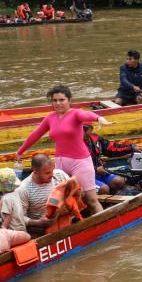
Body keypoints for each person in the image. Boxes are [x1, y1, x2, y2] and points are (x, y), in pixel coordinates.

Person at [15, 86, 110, 217]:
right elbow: (35, 134)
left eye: (62, 100)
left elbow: (86, 115)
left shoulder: (76, 113)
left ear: (69, 100)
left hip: (80, 162)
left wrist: (98, 118)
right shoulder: (50, 118)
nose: (58, 103)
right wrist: (20, 151)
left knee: (91, 200)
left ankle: (102, 223)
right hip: (60, 164)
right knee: (64, 201)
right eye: (55, 100)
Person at [14, 154, 70, 236]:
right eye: (47, 173)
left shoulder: (59, 175)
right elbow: (19, 218)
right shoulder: (23, 189)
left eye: (52, 171)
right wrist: (37, 223)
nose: (51, 175)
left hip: (65, 218)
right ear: (35, 172)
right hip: (41, 229)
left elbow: (75, 191)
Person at [82, 123, 142, 194]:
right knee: (104, 189)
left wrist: (132, 148)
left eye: (85, 129)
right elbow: (71, 166)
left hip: (99, 172)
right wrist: (95, 169)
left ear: (91, 129)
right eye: (80, 128)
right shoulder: (72, 143)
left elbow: (111, 148)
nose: (82, 131)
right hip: (82, 176)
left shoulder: (95, 138)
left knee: (119, 181)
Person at [0, 167, 27, 232]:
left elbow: (8, 217)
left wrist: (3, 229)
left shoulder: (5, 199)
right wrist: (1, 219)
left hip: (13, 231)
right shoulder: (16, 193)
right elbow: (13, 213)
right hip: (21, 229)